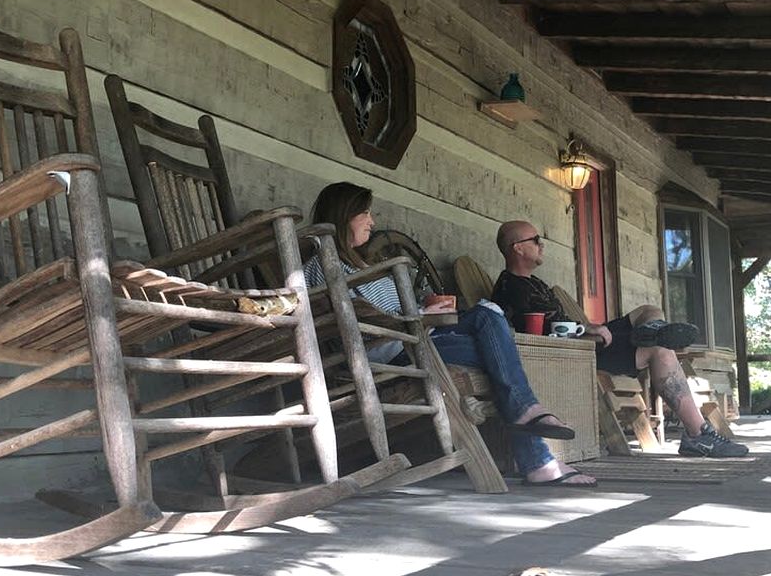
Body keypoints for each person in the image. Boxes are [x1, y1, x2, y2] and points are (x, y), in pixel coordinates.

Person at [303, 183, 598, 488]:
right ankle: (536, 453)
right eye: (364, 212)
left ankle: (535, 443)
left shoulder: (358, 265)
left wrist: (424, 309)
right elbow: (354, 320)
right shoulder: (321, 266)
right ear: (344, 215)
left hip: (418, 337)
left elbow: (388, 309)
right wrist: (418, 316)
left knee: (489, 317)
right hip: (391, 351)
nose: (372, 221)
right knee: (500, 353)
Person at [492, 220, 748, 458]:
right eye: (536, 240)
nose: (542, 244)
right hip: (572, 352)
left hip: (583, 339)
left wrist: (588, 328)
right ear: (518, 249)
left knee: (648, 311)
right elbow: (537, 336)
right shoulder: (511, 289)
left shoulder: (532, 283)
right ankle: (697, 434)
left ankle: (650, 331)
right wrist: (586, 331)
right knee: (661, 350)